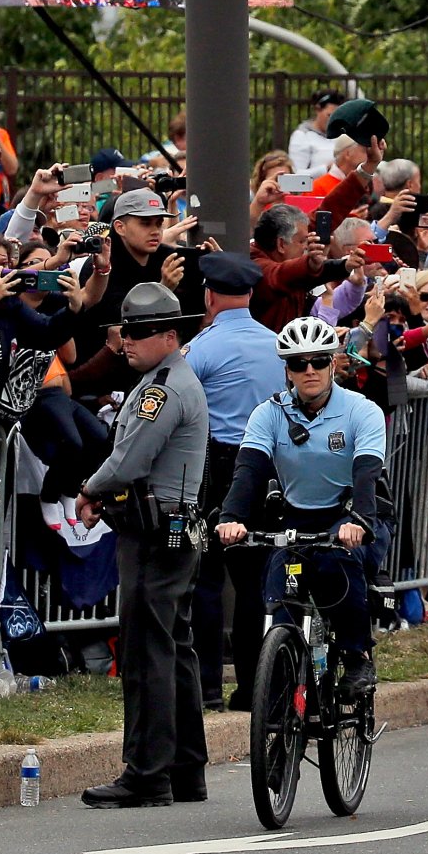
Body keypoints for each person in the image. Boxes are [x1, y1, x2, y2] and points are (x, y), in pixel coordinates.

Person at [78, 282, 210, 809]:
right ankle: (184, 769)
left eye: (138, 332)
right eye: (124, 330)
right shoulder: (162, 380)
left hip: (156, 531)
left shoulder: (164, 388)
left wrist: (90, 488)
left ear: (170, 334)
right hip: (169, 526)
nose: (126, 340)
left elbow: (131, 459)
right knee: (173, 646)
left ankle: (148, 772)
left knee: (147, 650)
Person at [216, 316, 388, 695]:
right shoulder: (269, 413)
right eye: (297, 363)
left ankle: (357, 658)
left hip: (351, 514)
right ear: (287, 370)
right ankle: (281, 688)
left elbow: (366, 475)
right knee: (280, 588)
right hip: (297, 516)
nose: (308, 370)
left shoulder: (362, 411)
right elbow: (248, 472)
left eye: (318, 361)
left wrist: (358, 520)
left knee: (338, 563)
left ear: (332, 363)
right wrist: (231, 518)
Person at [183, 251, 285, 712]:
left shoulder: (202, 347)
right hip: (266, 467)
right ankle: (252, 687)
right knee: (252, 583)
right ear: (249, 294)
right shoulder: (276, 343)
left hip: (217, 467)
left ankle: (205, 686)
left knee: (205, 577)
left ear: (209, 296)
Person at [289, 90, 344, 176]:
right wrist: (326, 168)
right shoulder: (302, 136)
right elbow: (295, 175)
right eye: (329, 115)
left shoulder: (342, 135)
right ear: (318, 109)